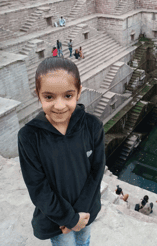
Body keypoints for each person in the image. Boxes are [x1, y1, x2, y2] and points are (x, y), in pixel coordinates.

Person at [18, 57, 105, 245]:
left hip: (87, 211)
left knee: (84, 241)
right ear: (38, 94)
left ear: (79, 92)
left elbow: (96, 171)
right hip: (56, 220)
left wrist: (77, 219)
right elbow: (38, 186)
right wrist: (69, 218)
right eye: (49, 97)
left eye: (68, 96)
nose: (59, 106)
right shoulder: (29, 136)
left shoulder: (92, 126)